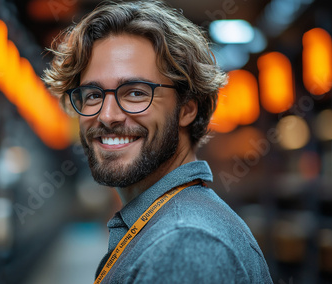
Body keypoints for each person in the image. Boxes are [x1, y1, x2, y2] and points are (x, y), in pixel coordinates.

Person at [43, 1, 273, 283]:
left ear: (188, 108)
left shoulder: (183, 247)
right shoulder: (169, 223)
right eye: (93, 95)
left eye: (136, 93)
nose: (107, 115)